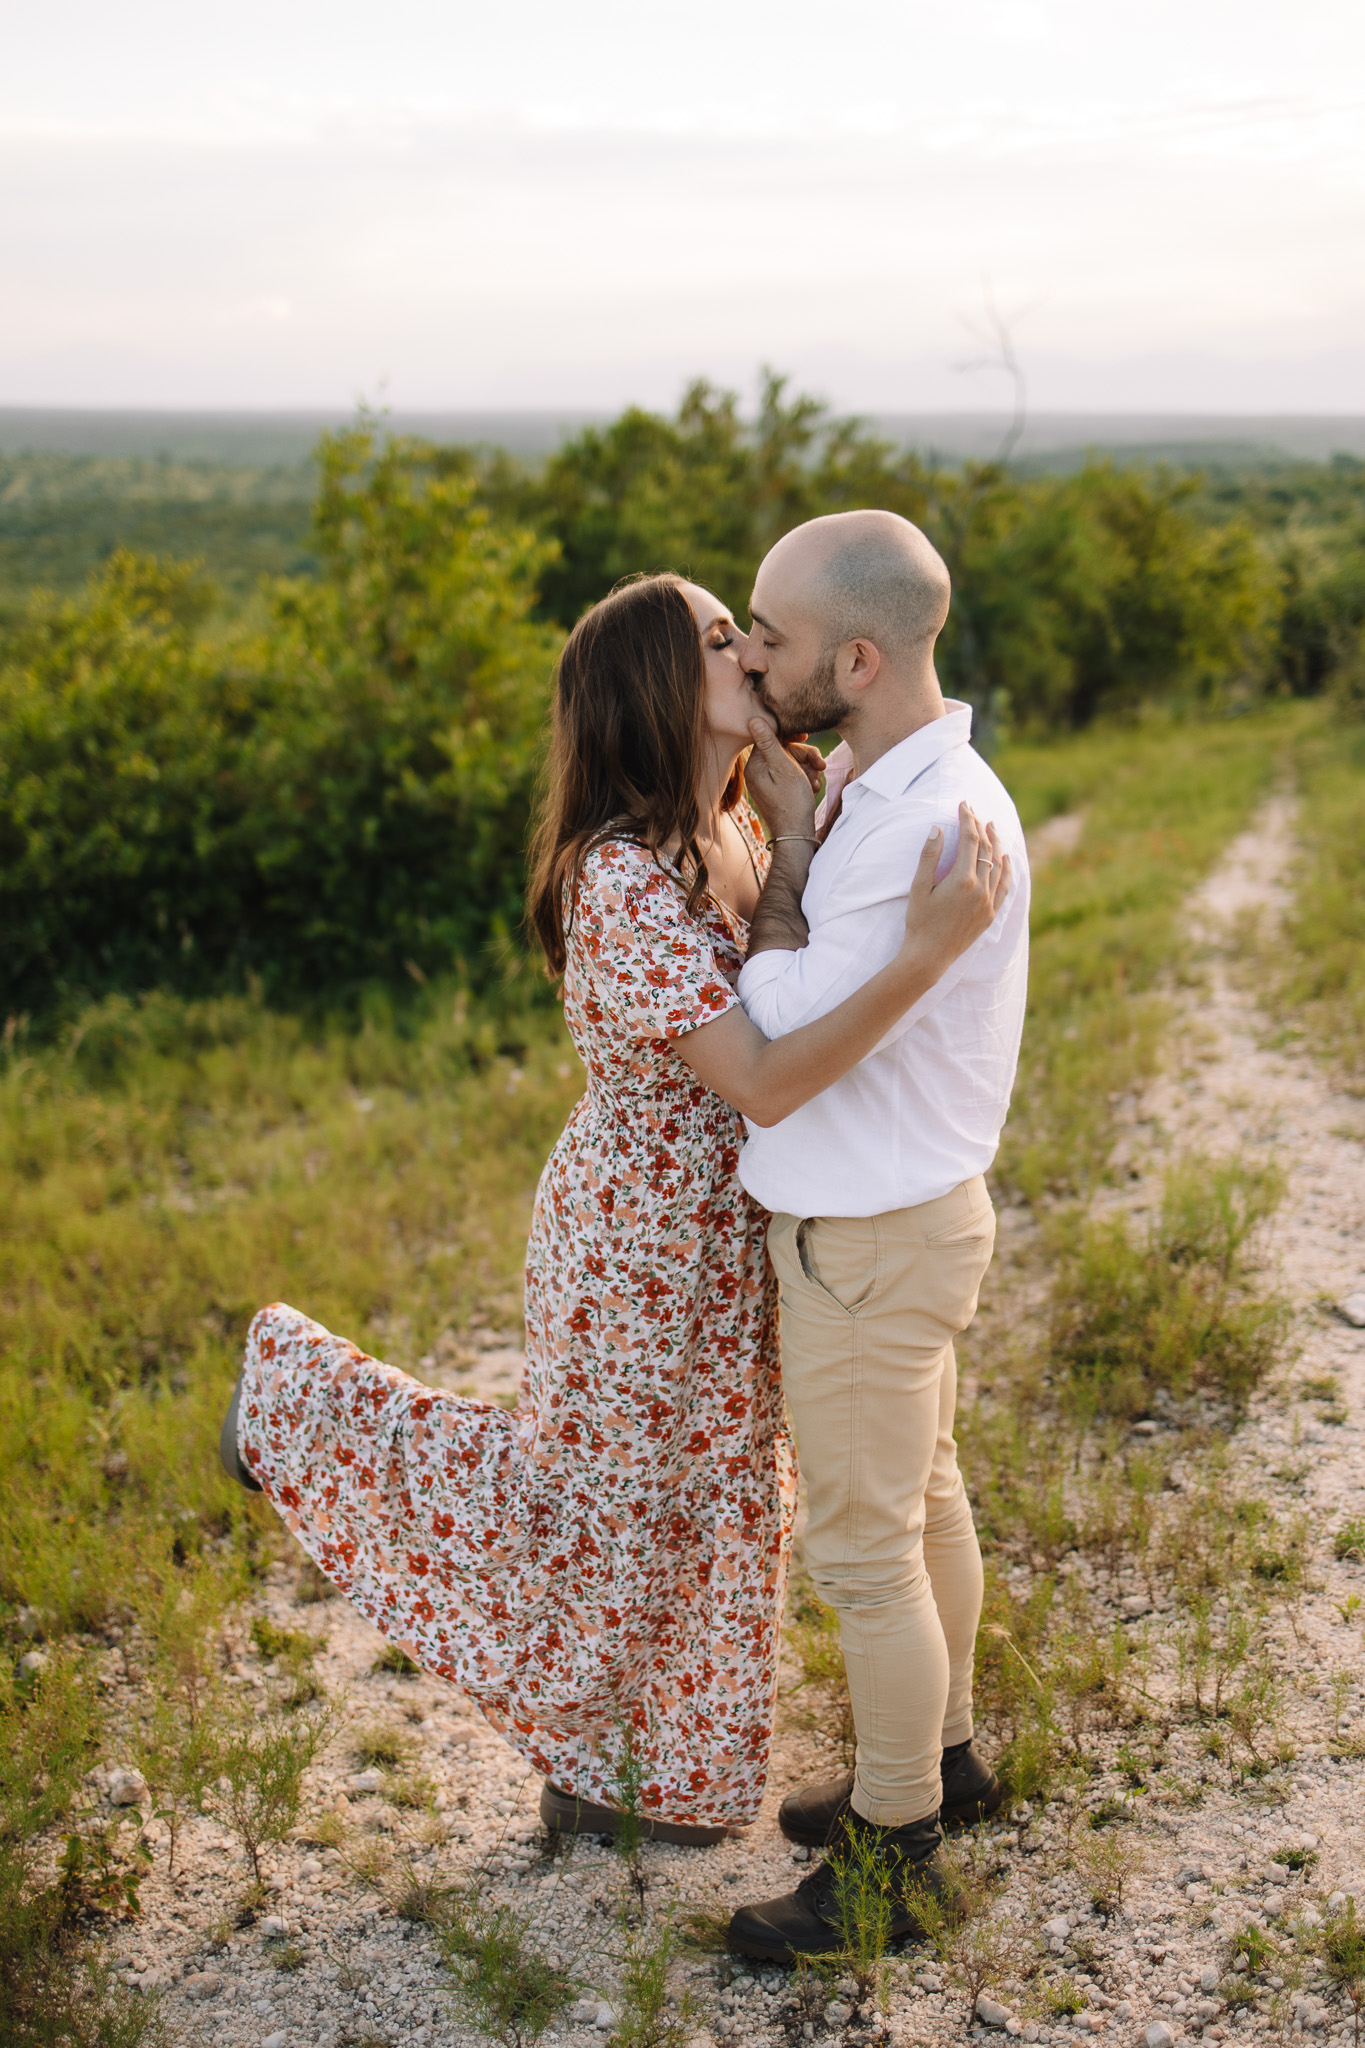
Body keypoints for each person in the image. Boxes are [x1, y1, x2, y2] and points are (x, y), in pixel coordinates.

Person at [225, 570, 1009, 1845]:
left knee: (716, 1511)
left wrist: (794, 834)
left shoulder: (735, 831)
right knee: (597, 1509)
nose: (754, 658)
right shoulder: (621, 881)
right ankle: (294, 1397)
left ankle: (660, 1780)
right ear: (657, 686)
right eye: (720, 640)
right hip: (635, 1241)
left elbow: (784, 979)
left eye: (751, 636)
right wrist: (930, 952)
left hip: (727, 1232)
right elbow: (759, 1075)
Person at [722, 511, 1031, 1962]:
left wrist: (780, 864)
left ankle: (892, 1858)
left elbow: (780, 1025)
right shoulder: (898, 779)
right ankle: (947, 1759)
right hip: (915, 1213)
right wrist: (801, 822)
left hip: (863, 1228)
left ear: (854, 655)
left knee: (863, 1551)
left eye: (770, 636)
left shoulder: (904, 822)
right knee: (926, 1505)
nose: (750, 652)